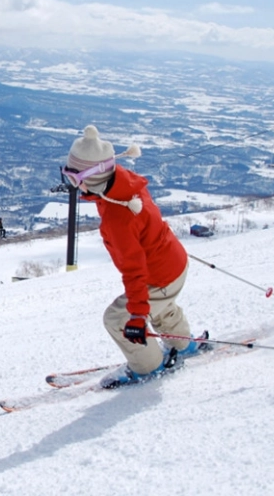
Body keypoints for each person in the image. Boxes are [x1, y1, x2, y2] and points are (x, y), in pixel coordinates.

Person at [62, 125, 206, 388]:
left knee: (117, 319)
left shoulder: (119, 216)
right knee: (163, 307)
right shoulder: (122, 183)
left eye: (73, 177)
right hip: (173, 263)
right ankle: (183, 346)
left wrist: (137, 317)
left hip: (158, 275)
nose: (72, 184)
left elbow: (134, 270)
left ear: (92, 177)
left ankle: (149, 367)